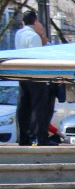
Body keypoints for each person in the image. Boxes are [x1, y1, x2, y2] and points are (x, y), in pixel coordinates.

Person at [14, 10, 54, 146]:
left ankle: (23, 137)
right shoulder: (34, 36)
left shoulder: (18, 34)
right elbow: (38, 57)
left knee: (23, 106)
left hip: (21, 73)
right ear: (35, 21)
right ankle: (40, 137)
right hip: (36, 75)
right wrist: (42, 35)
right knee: (39, 107)